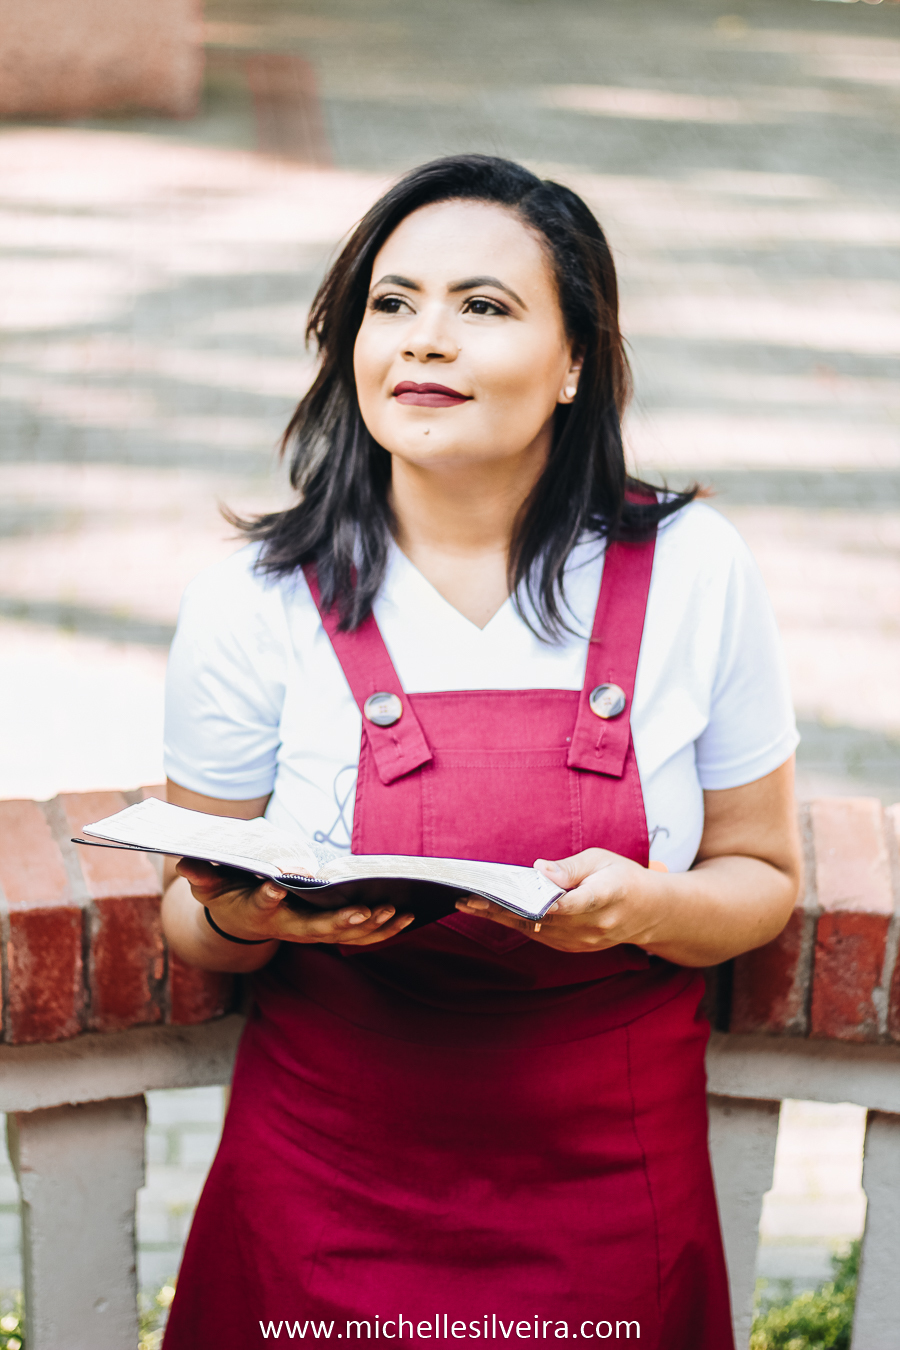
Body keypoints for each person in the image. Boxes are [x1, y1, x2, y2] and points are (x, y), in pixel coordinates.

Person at [160, 155, 801, 1350]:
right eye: (391, 304)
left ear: (574, 365)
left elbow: (763, 878)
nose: (424, 341)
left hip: (607, 1193)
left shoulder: (697, 569)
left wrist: (651, 908)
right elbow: (188, 915)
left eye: (483, 307)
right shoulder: (254, 599)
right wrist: (258, 919)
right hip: (324, 1192)